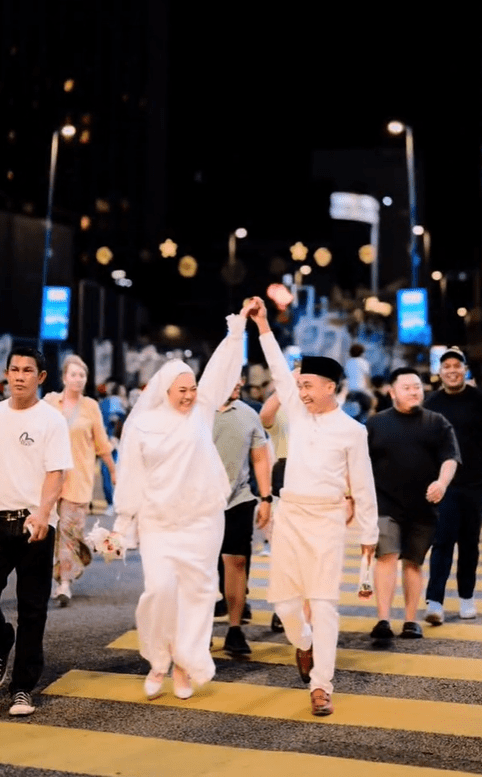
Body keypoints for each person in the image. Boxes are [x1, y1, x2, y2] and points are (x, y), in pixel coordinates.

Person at [113, 303, 254, 701]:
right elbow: (131, 477)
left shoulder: (201, 413)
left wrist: (238, 327)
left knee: (197, 593)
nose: (190, 396)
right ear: (165, 391)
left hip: (201, 521)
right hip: (159, 521)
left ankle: (183, 664)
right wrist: (123, 525)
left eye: (193, 389)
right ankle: (158, 657)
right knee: (158, 590)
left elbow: (222, 369)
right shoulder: (141, 425)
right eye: (182, 391)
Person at [247, 297, 378, 717]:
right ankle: (302, 642)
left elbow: (364, 486)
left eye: (307, 385)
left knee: (324, 604)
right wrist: (263, 324)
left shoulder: (353, 431)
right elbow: (279, 371)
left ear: (329, 387)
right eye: (299, 385)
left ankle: (322, 685)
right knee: (285, 605)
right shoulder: (298, 415)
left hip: (327, 520)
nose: (299, 391)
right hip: (289, 516)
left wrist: (370, 537)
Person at [0, 346, 73, 716]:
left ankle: (23, 688)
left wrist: (44, 513)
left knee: (32, 609)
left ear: (41, 378)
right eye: (14, 369)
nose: (19, 376)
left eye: (28, 371)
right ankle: (1, 641)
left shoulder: (52, 420)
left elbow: (56, 473)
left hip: (34, 523)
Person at [366, 367, 460, 642]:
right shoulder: (376, 424)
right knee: (386, 557)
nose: (414, 391)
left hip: (424, 505)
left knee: (413, 563)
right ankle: (383, 619)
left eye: (417, 386)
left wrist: (442, 482)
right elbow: (360, 462)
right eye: (406, 387)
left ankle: (410, 620)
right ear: (392, 392)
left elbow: (450, 458)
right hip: (385, 504)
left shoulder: (436, 422)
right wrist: (353, 497)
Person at [44, 355, 116, 606]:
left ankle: (64, 583)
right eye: (73, 374)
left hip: (78, 480)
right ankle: (68, 565)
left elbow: (102, 443)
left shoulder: (91, 407)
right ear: (64, 377)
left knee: (69, 532)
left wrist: (113, 470)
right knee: (51, 532)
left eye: (81, 375)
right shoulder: (50, 402)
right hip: (49, 479)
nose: (77, 379)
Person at [213, 377, 272, 655]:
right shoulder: (197, 412)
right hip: (200, 504)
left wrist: (266, 498)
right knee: (201, 568)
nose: (239, 382)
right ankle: (198, 630)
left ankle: (235, 629)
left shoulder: (249, 414)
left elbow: (260, 458)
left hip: (239, 500)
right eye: (232, 377)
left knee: (236, 562)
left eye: (240, 378)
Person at [424, 347, 482, 623]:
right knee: (442, 542)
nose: (452, 370)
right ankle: (434, 602)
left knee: (470, 544)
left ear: (465, 369)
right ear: (439, 372)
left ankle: (466, 598)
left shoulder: (478, 399)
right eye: (446, 366)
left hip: (475, 485)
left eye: (456, 365)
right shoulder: (431, 403)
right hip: (443, 486)